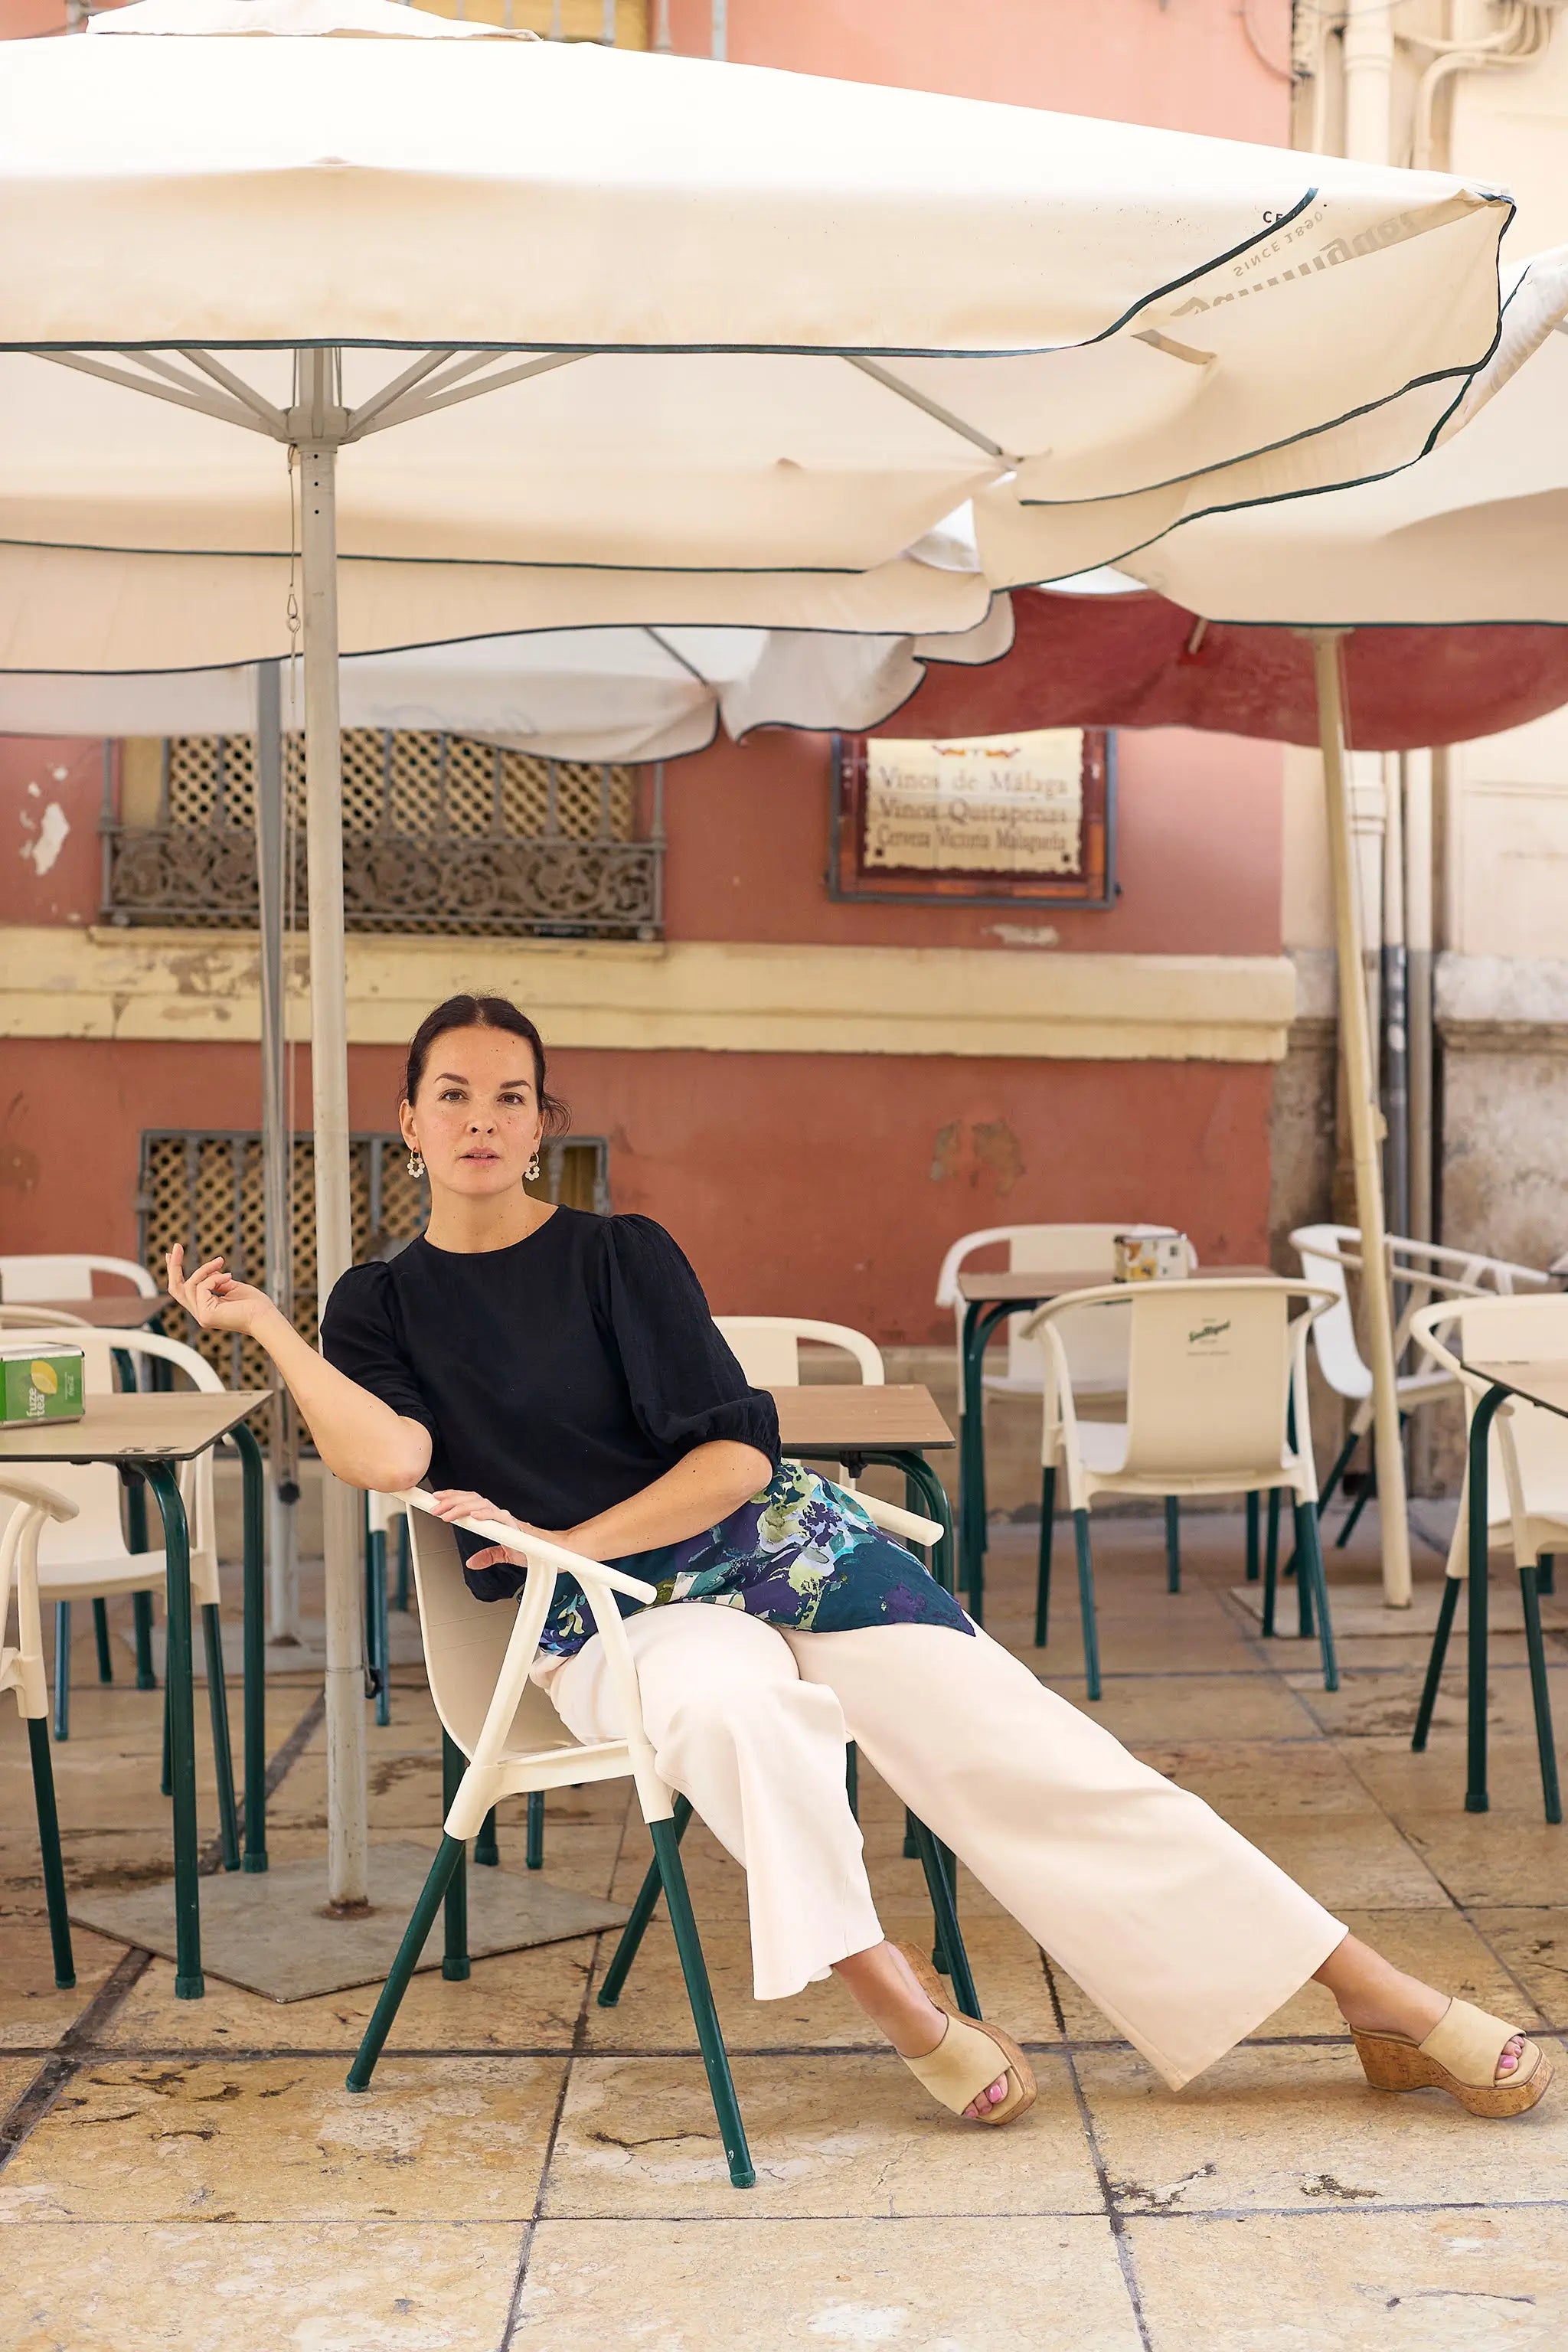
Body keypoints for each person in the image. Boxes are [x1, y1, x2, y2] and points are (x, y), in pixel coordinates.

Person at [167, 993, 1550, 2128]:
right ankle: (898, 1999)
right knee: (737, 1709)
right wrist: (269, 1329)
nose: (481, 1118)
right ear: (409, 1121)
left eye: (510, 1096)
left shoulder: (619, 1257)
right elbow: (391, 1460)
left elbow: (734, 1463)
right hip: (606, 1622)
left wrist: (568, 1540)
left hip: (771, 1551)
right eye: (454, 1094)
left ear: (542, 1125)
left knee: (1031, 1745)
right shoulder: (380, 1304)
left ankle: (1369, 1990)